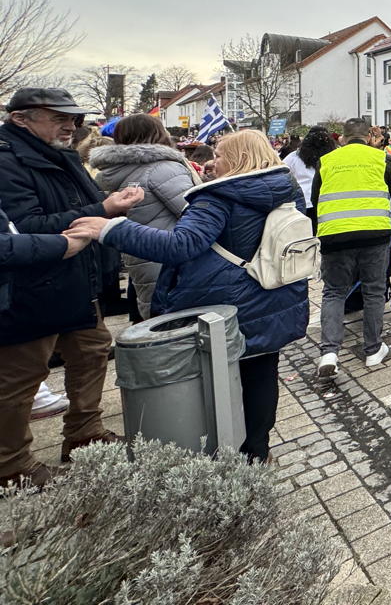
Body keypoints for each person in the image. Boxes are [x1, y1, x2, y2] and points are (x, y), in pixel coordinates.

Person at [71, 130, 310, 463]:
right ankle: (257, 452)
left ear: (240, 158)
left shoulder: (219, 197)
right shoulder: (286, 190)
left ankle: (221, 456)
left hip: (226, 303)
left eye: (221, 154)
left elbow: (180, 245)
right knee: (262, 375)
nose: (213, 161)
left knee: (220, 382)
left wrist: (110, 228)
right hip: (272, 297)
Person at [0, 87, 144, 487]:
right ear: (21, 119)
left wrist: (108, 202)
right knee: (21, 376)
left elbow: (78, 205)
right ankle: (10, 465)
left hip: (75, 281)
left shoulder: (59, 155)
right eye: (59, 118)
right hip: (29, 288)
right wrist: (103, 210)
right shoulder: (7, 161)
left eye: (74, 119)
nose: (70, 125)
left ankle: (83, 433)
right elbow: (24, 230)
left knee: (93, 351)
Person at [314, 118, 391, 378]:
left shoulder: (326, 161)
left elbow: (314, 202)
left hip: (333, 236)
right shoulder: (380, 159)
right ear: (369, 136)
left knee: (333, 291)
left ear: (343, 139)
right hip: (373, 234)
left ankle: (329, 353)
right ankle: (372, 350)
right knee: (373, 290)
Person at [90, 113, 199, 320]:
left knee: (156, 318)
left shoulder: (122, 170)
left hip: (144, 255)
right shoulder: (162, 168)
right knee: (175, 326)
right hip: (171, 258)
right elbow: (195, 213)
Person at [285, 126, 337, 223]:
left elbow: (283, 174)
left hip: (303, 202)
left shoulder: (294, 157)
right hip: (328, 202)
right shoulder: (335, 156)